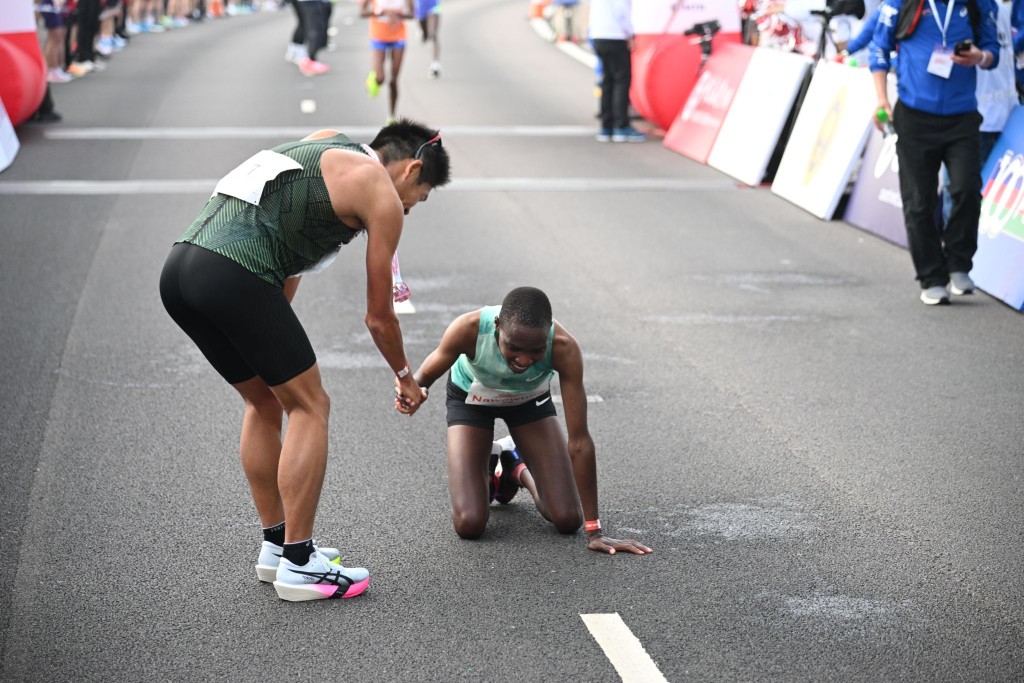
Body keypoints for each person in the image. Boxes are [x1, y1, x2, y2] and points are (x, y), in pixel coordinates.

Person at [159, 120, 451, 601]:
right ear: (412, 169)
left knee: (266, 402)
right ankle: (299, 563)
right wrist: (405, 377)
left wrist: (268, 332)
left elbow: (288, 245)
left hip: (181, 270)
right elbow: (379, 318)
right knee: (311, 406)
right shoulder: (379, 190)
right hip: (235, 274)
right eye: (417, 198)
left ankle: (276, 547)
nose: (407, 209)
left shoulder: (325, 141)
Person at [397, 287, 653, 556]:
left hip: (528, 402)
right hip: (472, 400)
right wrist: (414, 392)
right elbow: (424, 375)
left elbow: (579, 441)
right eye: (513, 348)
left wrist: (595, 531)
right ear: (497, 328)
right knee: (469, 524)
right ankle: (487, 474)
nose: (523, 359)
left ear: (548, 336)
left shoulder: (564, 348)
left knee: (567, 519)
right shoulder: (469, 328)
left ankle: (514, 467)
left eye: (536, 350)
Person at [871, 0, 1000, 305]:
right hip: (914, 116)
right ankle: (931, 277)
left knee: (967, 189)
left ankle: (957, 263)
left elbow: (993, 51)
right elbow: (878, 49)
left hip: (962, 115)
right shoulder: (899, 3)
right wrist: (881, 100)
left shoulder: (980, 3)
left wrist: (979, 56)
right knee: (919, 201)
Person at [589, 0, 646, 142]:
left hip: (598, 35)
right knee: (621, 80)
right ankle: (621, 126)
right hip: (615, 35)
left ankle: (606, 126)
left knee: (607, 80)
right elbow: (622, 12)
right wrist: (630, 34)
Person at [361, 0, 416, 123]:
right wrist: (382, 12)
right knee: (380, 78)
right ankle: (373, 79)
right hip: (378, 36)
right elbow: (362, 12)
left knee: (393, 80)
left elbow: (412, 14)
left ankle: (391, 116)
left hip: (398, 37)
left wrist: (397, 15)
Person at [415, 0, 441, 78]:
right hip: (421, 5)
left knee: (433, 34)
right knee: (425, 36)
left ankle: (435, 64)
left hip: (433, 5)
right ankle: (422, 33)